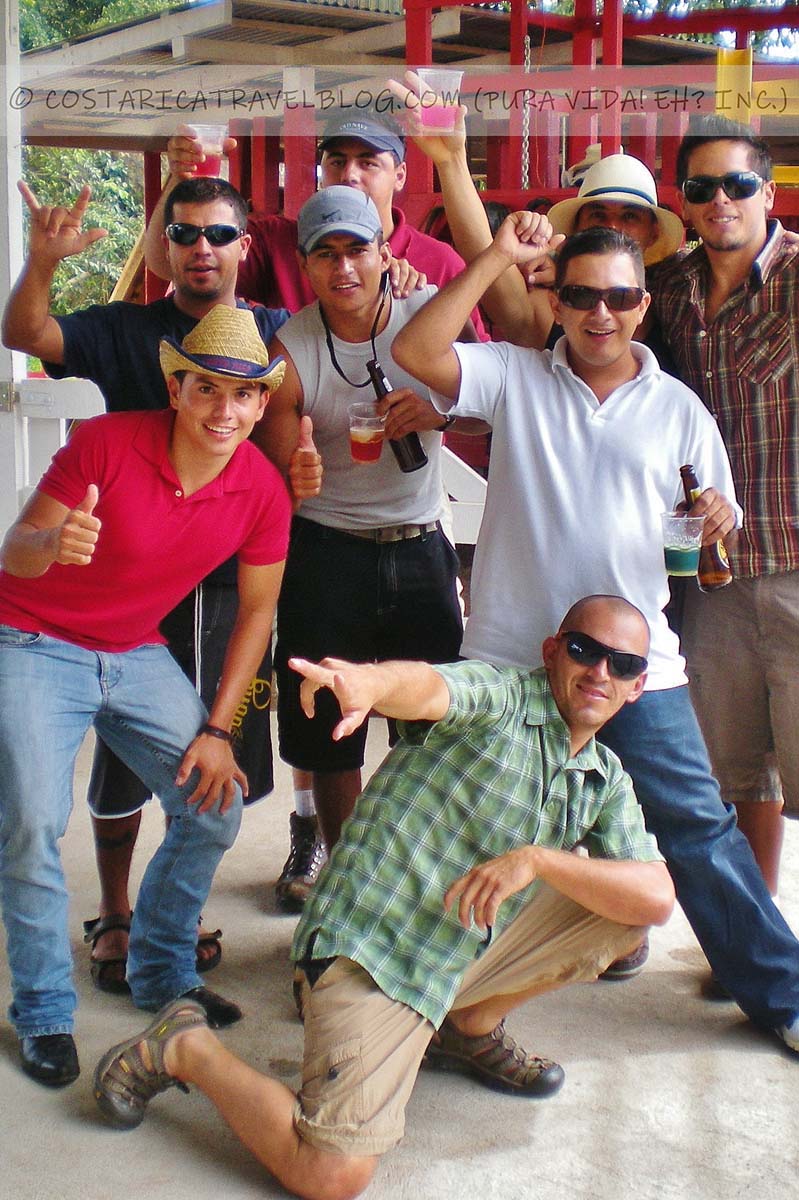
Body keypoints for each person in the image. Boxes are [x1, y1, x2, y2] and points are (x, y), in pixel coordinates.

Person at [93, 595, 674, 1200]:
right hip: (375, 954)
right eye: (584, 650)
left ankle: (468, 1025)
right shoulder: (500, 697)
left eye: (623, 664)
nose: (600, 672)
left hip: (458, 951)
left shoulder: (604, 778)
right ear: (552, 652)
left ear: (637, 686)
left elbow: (658, 897)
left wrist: (539, 859)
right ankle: (185, 1046)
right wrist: (370, 683)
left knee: (622, 911)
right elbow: (428, 688)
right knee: (330, 1174)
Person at [391, 218, 799, 1055]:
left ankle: (782, 995)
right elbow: (416, 351)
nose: (599, 313)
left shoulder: (677, 408)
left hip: (632, 666)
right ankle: (398, 987)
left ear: (642, 306)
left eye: (618, 296)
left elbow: (710, 528)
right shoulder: (515, 377)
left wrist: (715, 521)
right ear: (556, 302)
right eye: (580, 296)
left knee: (697, 829)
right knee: (457, 826)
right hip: (511, 658)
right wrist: (497, 256)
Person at [2, 175, 294, 992]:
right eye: (186, 232)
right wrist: (53, 542)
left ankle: (163, 971)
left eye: (220, 234)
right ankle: (54, 996)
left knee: (213, 794)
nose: (224, 409)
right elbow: (14, 552)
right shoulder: (111, 403)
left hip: (145, 626)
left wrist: (219, 729)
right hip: (43, 627)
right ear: (176, 386)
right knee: (36, 819)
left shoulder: (262, 469)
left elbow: (260, 610)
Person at [252, 185, 468, 852]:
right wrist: (296, 475)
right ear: (305, 265)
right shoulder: (290, 352)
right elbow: (276, 478)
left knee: (431, 724)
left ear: (382, 251)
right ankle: (345, 871)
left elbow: (496, 401)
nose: (343, 268)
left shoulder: (425, 316)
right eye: (326, 254)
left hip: (419, 544)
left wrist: (439, 414)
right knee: (327, 730)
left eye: (356, 250)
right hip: (327, 551)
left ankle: (413, 868)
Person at [652, 115, 799, 906]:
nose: (720, 201)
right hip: (712, 575)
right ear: (683, 201)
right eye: (701, 187)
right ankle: (758, 936)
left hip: (795, 561)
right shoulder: (667, 291)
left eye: (738, 185)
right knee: (738, 774)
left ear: (767, 194)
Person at [387, 72, 684, 367]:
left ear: (653, 233)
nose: (612, 227)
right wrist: (451, 161)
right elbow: (483, 252)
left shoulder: (679, 305)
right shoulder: (548, 311)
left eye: (630, 216)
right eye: (598, 214)